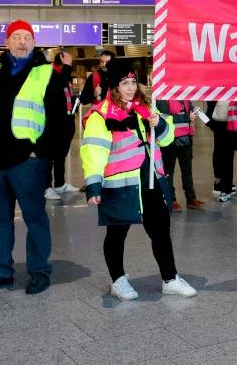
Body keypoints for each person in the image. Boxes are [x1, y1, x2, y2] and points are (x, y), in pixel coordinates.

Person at [0, 20, 72, 296]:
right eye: (16, 37)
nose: (22, 42)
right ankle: (0, 271)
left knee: (34, 218)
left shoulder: (47, 75)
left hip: (28, 163)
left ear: (33, 43)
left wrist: (43, 155)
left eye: (27, 37)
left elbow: (63, 123)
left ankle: (39, 271)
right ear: (7, 42)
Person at [81, 61, 197, 301]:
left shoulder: (145, 107)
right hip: (120, 184)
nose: (131, 87)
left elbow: (166, 139)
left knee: (161, 230)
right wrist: (93, 185)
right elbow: (93, 151)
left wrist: (160, 123)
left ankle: (170, 278)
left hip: (151, 180)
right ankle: (118, 280)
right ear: (114, 86)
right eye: (125, 83)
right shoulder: (100, 115)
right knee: (117, 233)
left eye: (134, 82)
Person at [155, 98, 204, 211]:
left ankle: (191, 199)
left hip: (186, 139)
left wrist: (194, 113)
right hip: (170, 141)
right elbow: (164, 117)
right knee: (168, 171)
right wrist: (187, 117)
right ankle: (171, 200)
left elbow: (191, 109)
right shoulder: (163, 98)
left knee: (187, 170)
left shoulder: (185, 97)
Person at [45, 50, 80, 200]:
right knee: (49, 156)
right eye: (69, 60)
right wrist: (67, 67)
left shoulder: (65, 77)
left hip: (66, 121)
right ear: (62, 60)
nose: (71, 63)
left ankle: (59, 183)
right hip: (52, 123)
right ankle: (46, 187)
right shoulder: (50, 74)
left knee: (60, 154)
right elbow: (56, 89)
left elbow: (66, 94)